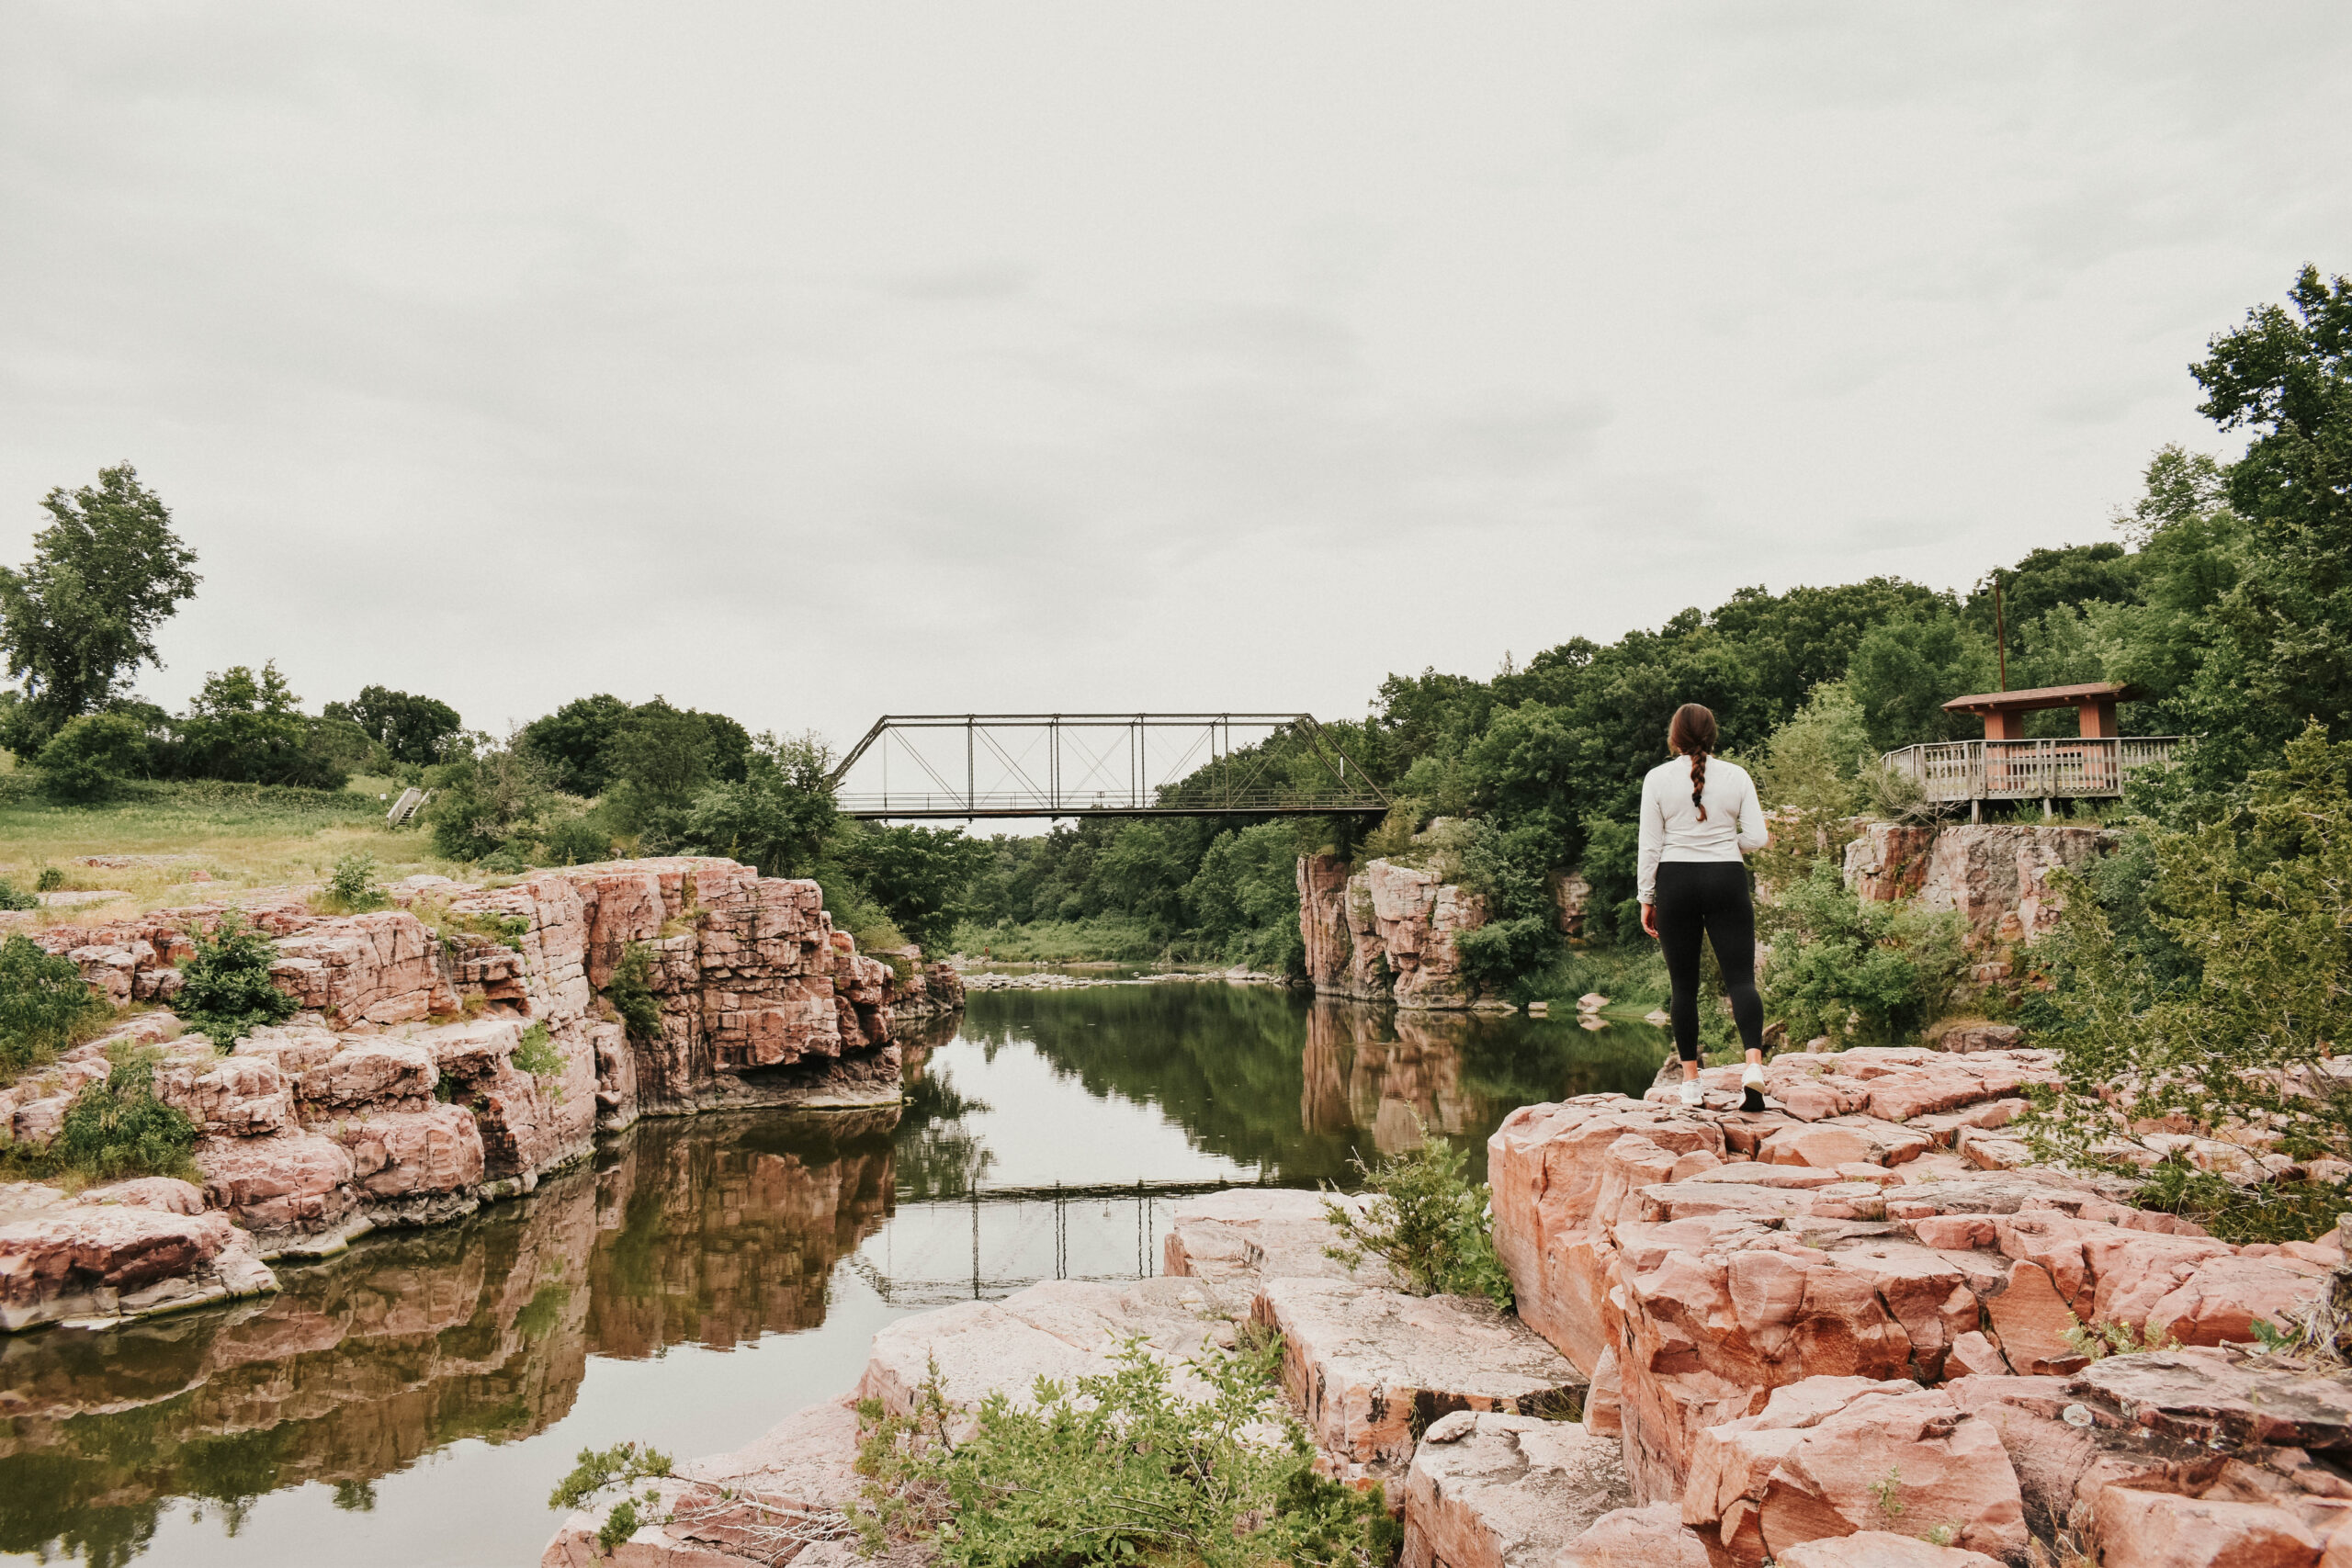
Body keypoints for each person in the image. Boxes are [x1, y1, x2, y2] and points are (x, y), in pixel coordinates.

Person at [1638, 703, 1770, 1110]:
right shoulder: (1737, 775)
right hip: (1726, 878)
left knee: (1684, 987)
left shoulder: (1657, 778)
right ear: (1712, 736)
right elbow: (1758, 837)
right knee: (1741, 980)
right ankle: (1752, 1067)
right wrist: (1728, 845)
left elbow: (1651, 845)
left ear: (1674, 738)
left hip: (1675, 881)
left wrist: (1647, 896)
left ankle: (1692, 1084)